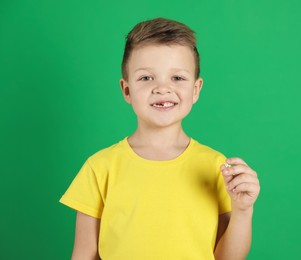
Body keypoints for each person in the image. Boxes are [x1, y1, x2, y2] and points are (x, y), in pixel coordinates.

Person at [60, 17, 260, 260]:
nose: (162, 88)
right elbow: (83, 254)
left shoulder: (215, 166)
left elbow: (227, 258)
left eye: (177, 78)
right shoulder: (99, 168)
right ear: (127, 90)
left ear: (195, 90)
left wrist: (243, 211)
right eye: (146, 78)